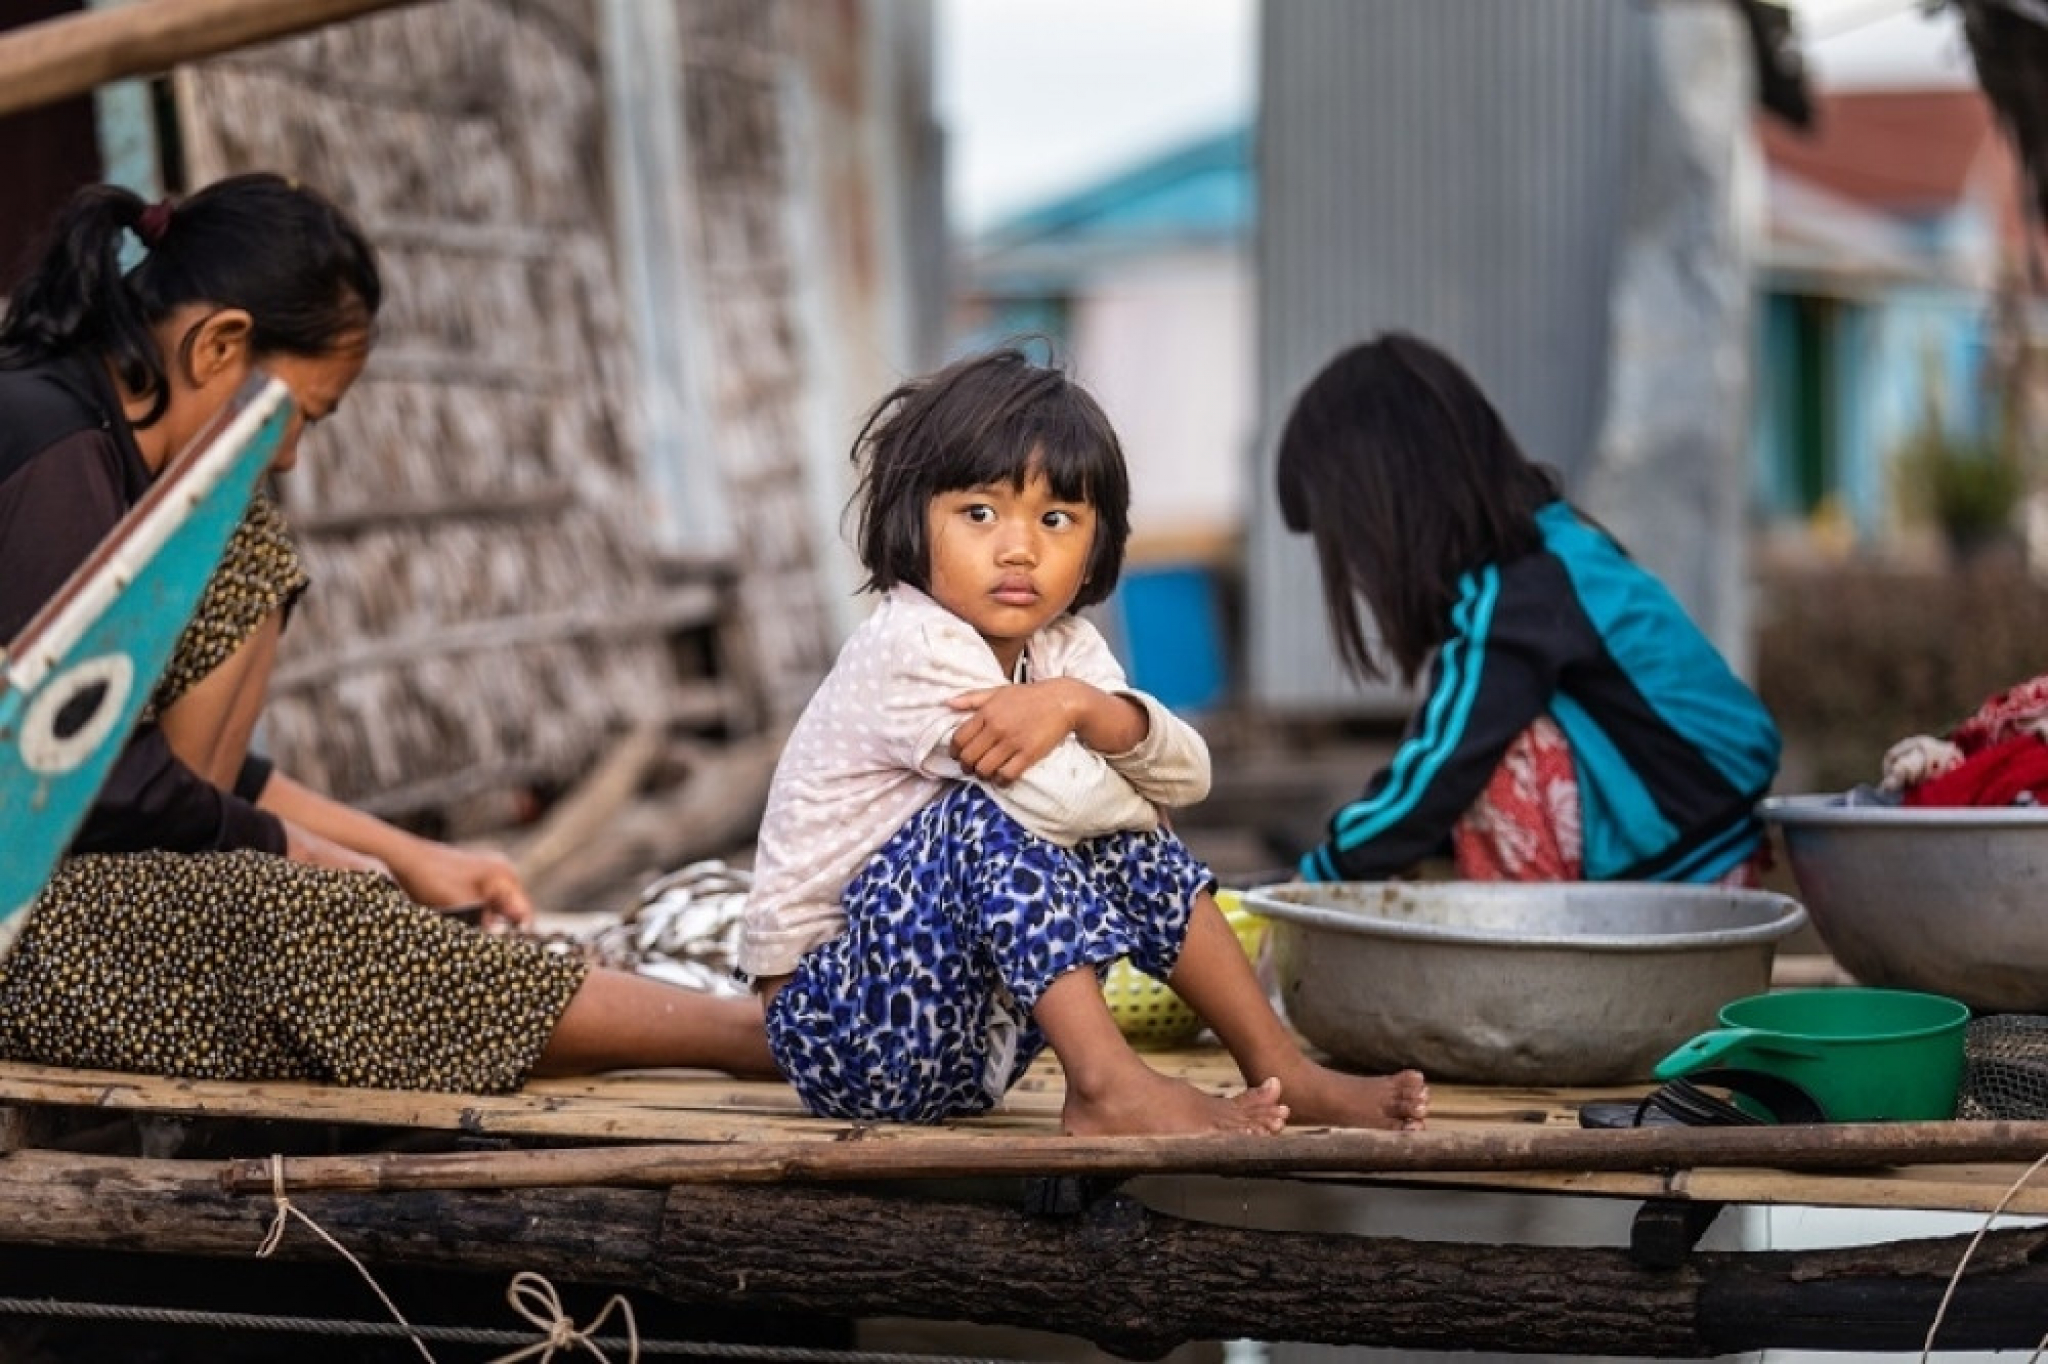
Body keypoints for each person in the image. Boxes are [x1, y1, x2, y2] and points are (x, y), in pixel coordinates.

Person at [0, 175, 777, 1091]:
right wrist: (291, 853)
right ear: (219, 345)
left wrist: (406, 858)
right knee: (295, 925)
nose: (287, 454)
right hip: (19, 931)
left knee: (247, 545)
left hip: (74, 872)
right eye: (299, 417)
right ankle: (741, 1037)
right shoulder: (52, 446)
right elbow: (96, 786)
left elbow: (132, 764)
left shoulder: (106, 449)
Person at [738, 345, 1430, 1135]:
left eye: (1056, 519)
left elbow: (1189, 774)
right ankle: (1107, 1085)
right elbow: (1067, 799)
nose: (1020, 548)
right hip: (844, 1025)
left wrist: (1082, 707)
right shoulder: (909, 645)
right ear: (911, 517)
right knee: (998, 816)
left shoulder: (1061, 649)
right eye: (979, 514)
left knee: (1122, 839)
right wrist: (1134, 790)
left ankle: (1282, 1067)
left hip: (969, 1040)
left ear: (1097, 543)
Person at [1275, 332, 1781, 886]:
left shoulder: (1519, 592)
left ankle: (1532, 967)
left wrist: (1319, 878)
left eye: (1347, 542)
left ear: (1389, 511)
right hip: (1716, 844)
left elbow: (1438, 770)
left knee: (1484, 766)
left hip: (1685, 868)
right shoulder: (1558, 552)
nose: (1355, 572)